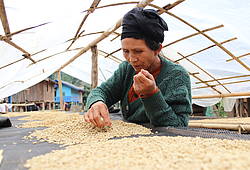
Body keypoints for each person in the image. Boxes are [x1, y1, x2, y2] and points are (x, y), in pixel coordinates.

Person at [84, 7, 192, 128]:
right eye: (126, 51)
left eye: (138, 51)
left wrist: (151, 95)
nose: (131, 59)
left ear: (157, 49)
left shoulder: (176, 75)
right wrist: (97, 102)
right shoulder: (126, 69)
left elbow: (179, 125)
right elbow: (102, 91)